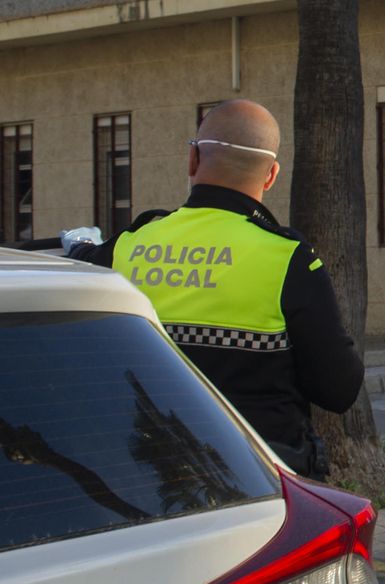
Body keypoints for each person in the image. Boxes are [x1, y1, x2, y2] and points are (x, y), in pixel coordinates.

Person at [70, 99, 363, 479]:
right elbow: (338, 390)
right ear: (271, 175)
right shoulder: (287, 257)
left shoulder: (127, 244)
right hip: (258, 481)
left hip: (145, 477)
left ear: (193, 160)